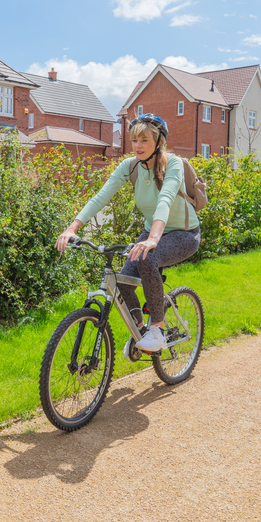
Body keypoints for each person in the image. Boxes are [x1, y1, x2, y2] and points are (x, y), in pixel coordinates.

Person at [55, 113, 201, 353]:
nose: (137, 146)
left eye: (144, 140)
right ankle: (140, 331)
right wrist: (72, 228)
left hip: (184, 234)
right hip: (151, 232)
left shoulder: (172, 163)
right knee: (122, 282)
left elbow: (165, 199)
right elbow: (101, 197)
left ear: (159, 142)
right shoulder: (130, 167)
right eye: (134, 140)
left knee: (147, 257)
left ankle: (157, 329)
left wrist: (153, 239)